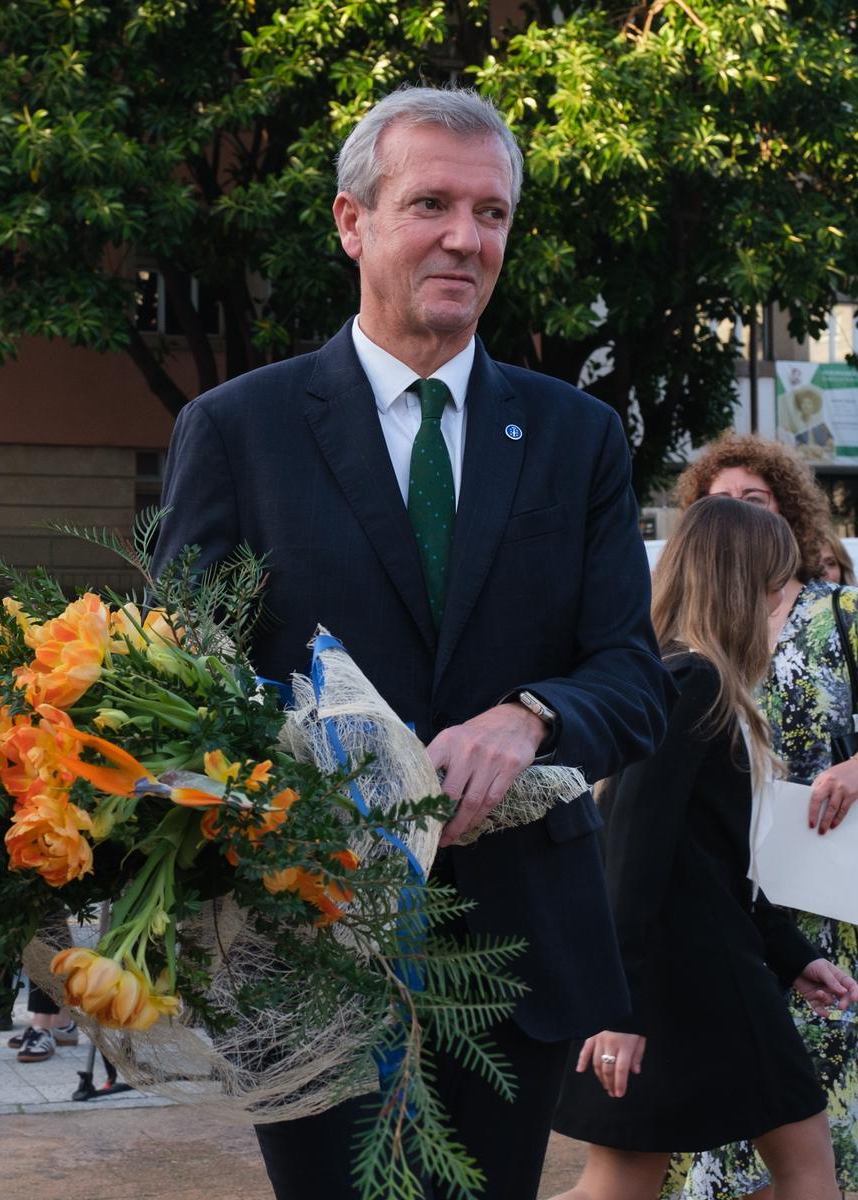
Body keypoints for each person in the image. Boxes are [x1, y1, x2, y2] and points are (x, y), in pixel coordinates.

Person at [152, 85, 672, 1199]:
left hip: (516, 954)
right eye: (430, 203)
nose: (464, 237)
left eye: (490, 215)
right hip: (310, 943)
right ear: (352, 222)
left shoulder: (576, 436)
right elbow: (183, 686)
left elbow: (632, 677)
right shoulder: (239, 430)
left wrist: (531, 714)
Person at [551, 497, 858, 1199]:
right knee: (804, 1164)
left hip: (681, 976)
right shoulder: (693, 683)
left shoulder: (685, 681)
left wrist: (795, 954)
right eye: (781, 581)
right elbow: (634, 846)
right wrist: (619, 1012)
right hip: (692, 981)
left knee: (620, 1183)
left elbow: (713, 862)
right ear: (746, 584)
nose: (788, 600)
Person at [665, 438, 858, 1197]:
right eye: (722, 505)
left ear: (785, 515)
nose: (740, 516)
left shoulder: (838, 613)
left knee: (818, 1127)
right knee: (726, 1137)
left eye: (756, 501)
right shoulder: (682, 638)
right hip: (722, 909)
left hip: (829, 901)